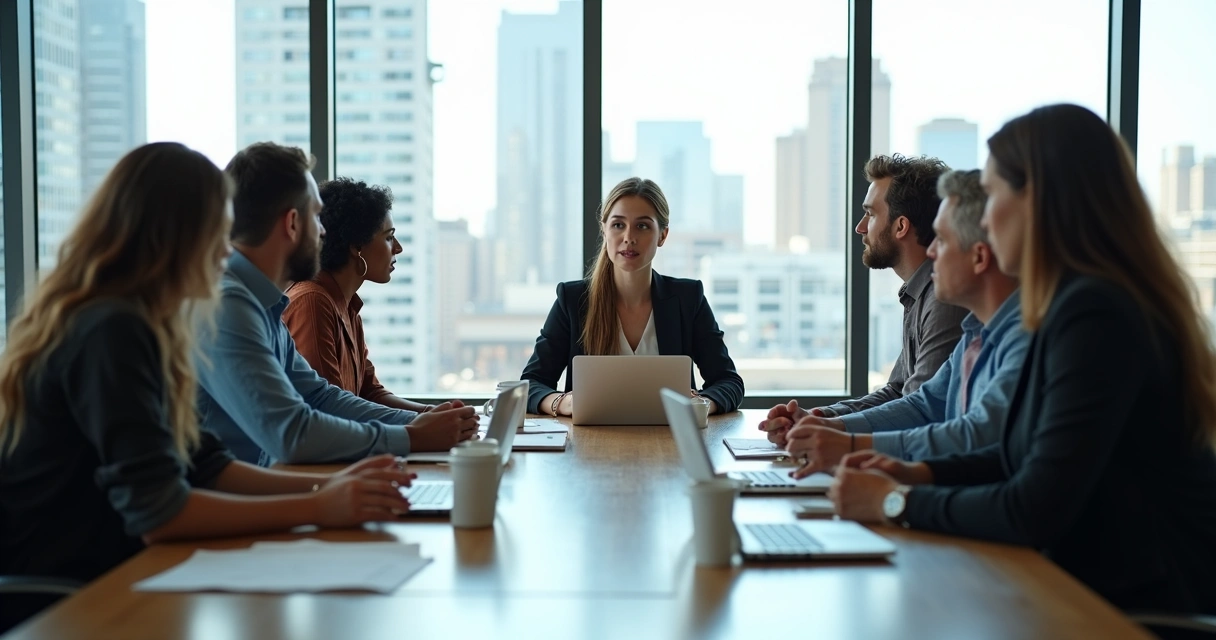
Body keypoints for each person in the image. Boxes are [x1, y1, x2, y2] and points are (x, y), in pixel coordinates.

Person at [0, 143, 416, 632]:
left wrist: (332, 487)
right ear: (177, 236)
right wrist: (320, 503)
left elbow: (207, 466)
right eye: (219, 231)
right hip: (73, 597)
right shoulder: (111, 329)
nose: (226, 250)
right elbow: (161, 511)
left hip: (124, 572)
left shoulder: (144, 324)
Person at [831, 104, 1216, 614]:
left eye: (991, 195)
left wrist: (890, 500)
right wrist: (913, 474)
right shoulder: (1068, 305)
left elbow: (1033, 506)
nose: (983, 220)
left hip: (1138, 611)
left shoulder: (1096, 315)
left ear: (1039, 202)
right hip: (1086, 588)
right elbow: (1019, 453)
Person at [197, 143, 477, 465]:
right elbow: (292, 433)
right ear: (292, 223)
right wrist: (412, 436)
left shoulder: (262, 304)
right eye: (316, 216)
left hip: (262, 489)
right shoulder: (229, 306)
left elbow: (320, 395)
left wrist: (419, 424)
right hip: (236, 503)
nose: (324, 231)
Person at [779, 170, 1028, 474]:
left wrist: (850, 444)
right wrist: (827, 423)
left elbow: (975, 435)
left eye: (943, 240)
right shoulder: (973, 331)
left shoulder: (1015, 333)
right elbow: (920, 403)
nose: (932, 251)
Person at [762, 155, 967, 440]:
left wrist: (833, 431)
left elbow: (921, 409)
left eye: (870, 214)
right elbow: (897, 391)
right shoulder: (918, 293)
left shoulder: (943, 300)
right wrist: (820, 417)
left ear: (901, 226)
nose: (860, 227)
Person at [520, 177, 744, 417]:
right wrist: (563, 403)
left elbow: (728, 382)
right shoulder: (573, 300)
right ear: (604, 230)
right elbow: (532, 384)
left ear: (663, 235)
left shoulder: (688, 299)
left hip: (671, 445)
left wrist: (701, 405)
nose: (629, 237)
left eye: (643, 226)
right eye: (618, 225)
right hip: (588, 447)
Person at [282, 177, 434, 412]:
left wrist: (430, 413)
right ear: (356, 246)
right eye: (388, 237)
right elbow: (329, 410)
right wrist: (419, 426)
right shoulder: (312, 302)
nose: (398, 248)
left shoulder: (347, 306)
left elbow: (370, 393)